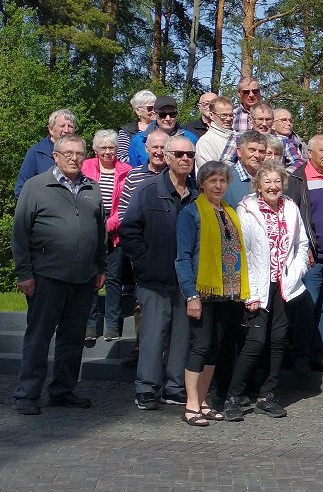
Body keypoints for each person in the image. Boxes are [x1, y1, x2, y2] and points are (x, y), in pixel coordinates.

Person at [11, 135, 106, 415]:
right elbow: (20, 233)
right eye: (68, 153)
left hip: (83, 277)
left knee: (73, 339)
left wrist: (101, 267)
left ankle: (63, 390)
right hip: (46, 276)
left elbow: (99, 233)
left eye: (79, 153)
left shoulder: (92, 188)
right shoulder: (36, 186)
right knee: (39, 337)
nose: (74, 158)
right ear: (56, 156)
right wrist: (24, 273)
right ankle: (26, 394)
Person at [227, 161, 310, 421]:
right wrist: (249, 291)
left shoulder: (291, 207)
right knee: (255, 341)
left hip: (284, 284)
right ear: (258, 185)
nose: (274, 187)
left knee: (278, 340)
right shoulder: (247, 209)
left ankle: (268, 393)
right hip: (257, 284)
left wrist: (295, 272)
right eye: (268, 182)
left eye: (277, 182)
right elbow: (243, 251)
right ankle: (234, 394)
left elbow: (302, 244)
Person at [120, 135, 197, 411]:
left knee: (181, 336)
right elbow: (129, 230)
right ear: (166, 157)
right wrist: (145, 261)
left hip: (186, 280)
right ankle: (147, 388)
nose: (185, 158)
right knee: (153, 336)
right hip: (154, 277)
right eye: (179, 154)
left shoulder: (197, 193)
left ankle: (175, 387)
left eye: (189, 154)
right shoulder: (148, 189)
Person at [174, 161, 249, 426]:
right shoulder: (192, 213)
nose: (218, 186)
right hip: (202, 292)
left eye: (222, 181)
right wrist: (191, 294)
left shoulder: (229, 211)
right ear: (203, 183)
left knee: (215, 348)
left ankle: (204, 400)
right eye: (213, 181)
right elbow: (182, 257)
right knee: (200, 346)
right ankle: (191, 404)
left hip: (228, 293)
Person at [286, 134, 323, 374]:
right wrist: (302, 249)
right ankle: (299, 356)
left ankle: (318, 355)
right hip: (310, 257)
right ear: (308, 153)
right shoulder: (297, 179)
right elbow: (292, 217)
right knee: (306, 309)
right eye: (321, 150)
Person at [82, 129, 132, 341]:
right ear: (95, 150)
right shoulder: (85, 167)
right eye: (103, 148)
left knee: (114, 279)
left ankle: (112, 324)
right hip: (89, 233)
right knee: (90, 279)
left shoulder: (126, 170)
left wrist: (111, 224)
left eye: (111, 147)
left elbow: (127, 203)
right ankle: (90, 325)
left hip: (115, 235)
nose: (107, 152)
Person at [15, 109, 79, 198]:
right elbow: (21, 189)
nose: (66, 130)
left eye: (70, 126)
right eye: (62, 126)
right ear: (51, 129)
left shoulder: (79, 155)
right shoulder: (36, 153)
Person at [128, 96, 199, 167]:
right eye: (163, 115)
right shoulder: (139, 141)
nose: (168, 119)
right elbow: (134, 170)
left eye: (172, 114)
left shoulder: (190, 139)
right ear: (155, 115)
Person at [224, 130, 270, 206]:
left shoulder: (269, 178)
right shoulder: (226, 178)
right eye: (252, 150)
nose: (257, 155)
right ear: (239, 152)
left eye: (261, 151)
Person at [195, 96, 238, 169]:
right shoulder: (205, 142)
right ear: (211, 115)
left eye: (231, 115)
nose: (228, 119)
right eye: (223, 115)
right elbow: (208, 174)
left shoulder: (239, 137)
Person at [117, 90, 157, 163]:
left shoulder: (163, 127)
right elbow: (121, 156)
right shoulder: (127, 131)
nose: (154, 111)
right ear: (138, 111)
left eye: (156, 107)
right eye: (150, 108)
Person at [273, 108, 306, 173]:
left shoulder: (288, 140)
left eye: (290, 121)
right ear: (272, 125)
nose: (289, 123)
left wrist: (285, 175)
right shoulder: (264, 139)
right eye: (284, 120)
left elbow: (298, 162)